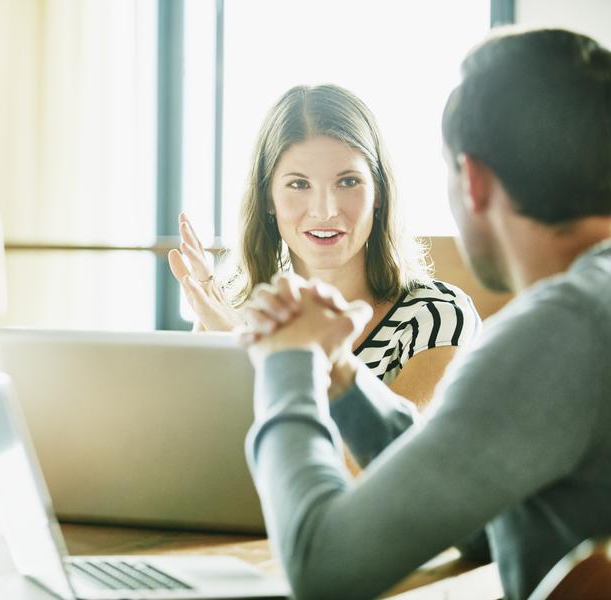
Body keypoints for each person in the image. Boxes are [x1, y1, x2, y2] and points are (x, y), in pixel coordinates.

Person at [240, 27, 611, 600]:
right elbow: (482, 516)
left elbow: (322, 569)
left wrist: (288, 364)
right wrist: (344, 380)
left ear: (474, 180)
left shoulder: (558, 330)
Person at [168, 84, 480, 409]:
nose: (325, 210)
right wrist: (228, 344)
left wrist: (256, 360)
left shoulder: (437, 316)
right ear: (268, 200)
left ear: (380, 193)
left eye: (348, 182)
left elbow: (385, 458)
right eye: (299, 184)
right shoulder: (231, 314)